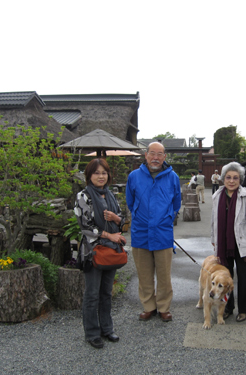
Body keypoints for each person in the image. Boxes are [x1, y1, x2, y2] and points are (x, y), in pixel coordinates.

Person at [74, 158, 127, 349]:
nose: (101, 176)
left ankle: (107, 328)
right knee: (92, 294)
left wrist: (116, 218)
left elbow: (122, 219)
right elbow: (85, 226)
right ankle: (92, 333)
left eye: (104, 172)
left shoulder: (110, 194)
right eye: (96, 173)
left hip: (111, 251)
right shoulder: (83, 196)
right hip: (93, 251)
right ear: (89, 175)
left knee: (106, 292)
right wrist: (110, 235)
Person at [126, 142, 181, 322]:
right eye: (152, 154)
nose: (156, 158)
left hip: (163, 233)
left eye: (159, 154)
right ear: (146, 155)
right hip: (140, 232)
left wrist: (165, 217)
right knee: (144, 274)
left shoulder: (172, 177)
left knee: (164, 275)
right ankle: (149, 306)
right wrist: (140, 215)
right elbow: (130, 201)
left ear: (165, 157)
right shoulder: (134, 176)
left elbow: (176, 203)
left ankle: (164, 307)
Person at [211, 162, 246, 322]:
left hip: (241, 243)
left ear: (240, 179)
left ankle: (244, 309)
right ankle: (228, 307)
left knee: (243, 277)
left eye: (235, 178)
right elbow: (214, 221)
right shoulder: (217, 196)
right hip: (224, 243)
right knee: (225, 278)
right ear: (223, 179)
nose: (231, 181)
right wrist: (214, 239)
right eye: (228, 177)